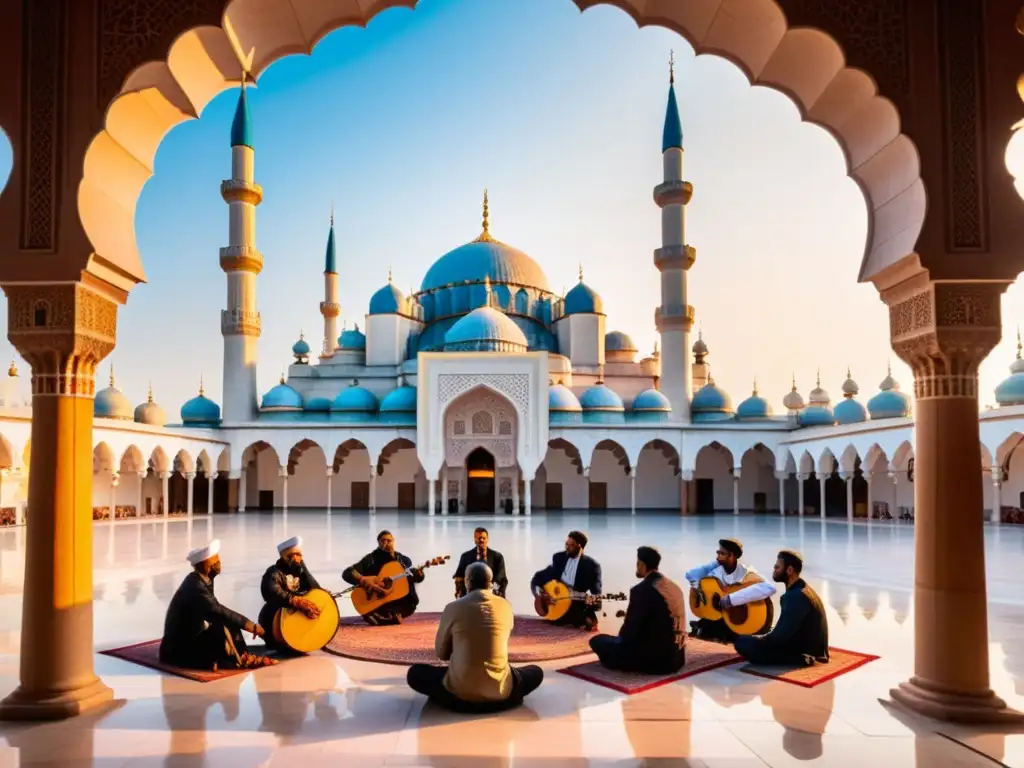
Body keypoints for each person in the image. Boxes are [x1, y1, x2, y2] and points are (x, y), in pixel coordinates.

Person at [407, 562, 544, 712]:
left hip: (459, 696)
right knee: (536, 672)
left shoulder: (453, 607)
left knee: (416, 673)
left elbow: (441, 653)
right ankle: (497, 696)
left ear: (467, 582)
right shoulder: (505, 606)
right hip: (501, 693)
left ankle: (460, 695)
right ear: (491, 584)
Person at [159, 539, 275, 670]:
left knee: (229, 624)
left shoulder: (204, 579)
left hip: (192, 634)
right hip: (178, 648)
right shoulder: (195, 587)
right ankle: (237, 660)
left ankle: (241, 655)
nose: (218, 563)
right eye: (214, 560)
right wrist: (250, 625)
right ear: (204, 565)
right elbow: (216, 611)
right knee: (219, 629)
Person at [590, 546, 686, 674]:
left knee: (597, 641)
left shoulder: (641, 590)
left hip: (656, 662)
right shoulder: (673, 586)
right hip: (677, 658)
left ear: (641, 564)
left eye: (637, 563)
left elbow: (629, 635)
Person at [734, 550, 830, 667]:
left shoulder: (796, 596)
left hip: (806, 650)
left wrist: (758, 639)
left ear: (789, 570)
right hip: (807, 643)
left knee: (742, 642)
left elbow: (778, 639)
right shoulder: (801, 588)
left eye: (777, 567)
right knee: (762, 632)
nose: (774, 570)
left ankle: (799, 659)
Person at [685, 538, 776, 643]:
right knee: (716, 621)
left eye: (722, 553)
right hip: (725, 618)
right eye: (718, 553)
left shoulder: (747, 572)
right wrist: (699, 590)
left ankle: (702, 627)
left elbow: (769, 587)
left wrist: (731, 599)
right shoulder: (716, 572)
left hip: (744, 617)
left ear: (732, 556)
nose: (717, 557)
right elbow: (691, 575)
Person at [342, 530, 424, 625]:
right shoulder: (370, 559)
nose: (386, 543)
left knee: (408, 580)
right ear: (378, 542)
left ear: (393, 541)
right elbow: (347, 572)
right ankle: (381, 616)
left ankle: (394, 615)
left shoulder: (402, 559)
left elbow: (414, 578)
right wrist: (363, 579)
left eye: (389, 541)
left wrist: (420, 576)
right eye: (383, 541)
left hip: (397, 599)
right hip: (377, 599)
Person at [257, 536, 322, 652]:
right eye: (293, 556)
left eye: (299, 555)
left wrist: (303, 568)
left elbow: (315, 589)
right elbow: (273, 592)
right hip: (273, 619)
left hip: (292, 617)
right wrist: (295, 600)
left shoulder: (299, 572)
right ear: (285, 557)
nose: (296, 559)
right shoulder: (274, 572)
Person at [530, 530, 602, 630]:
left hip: (577, 605)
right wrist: (541, 596)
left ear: (579, 547)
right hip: (555, 603)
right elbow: (537, 579)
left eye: (571, 545)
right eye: (566, 544)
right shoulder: (559, 558)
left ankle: (580, 619)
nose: (567, 547)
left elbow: (597, 595)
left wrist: (592, 603)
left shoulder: (592, 566)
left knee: (590, 622)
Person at [453, 527, 508, 598]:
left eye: (483, 538)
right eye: (478, 538)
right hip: (469, 595)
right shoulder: (465, 556)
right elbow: (459, 577)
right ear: (474, 539)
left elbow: (501, 578)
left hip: (492, 594)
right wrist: (460, 594)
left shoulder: (497, 557)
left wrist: (491, 591)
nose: (481, 540)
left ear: (487, 539)